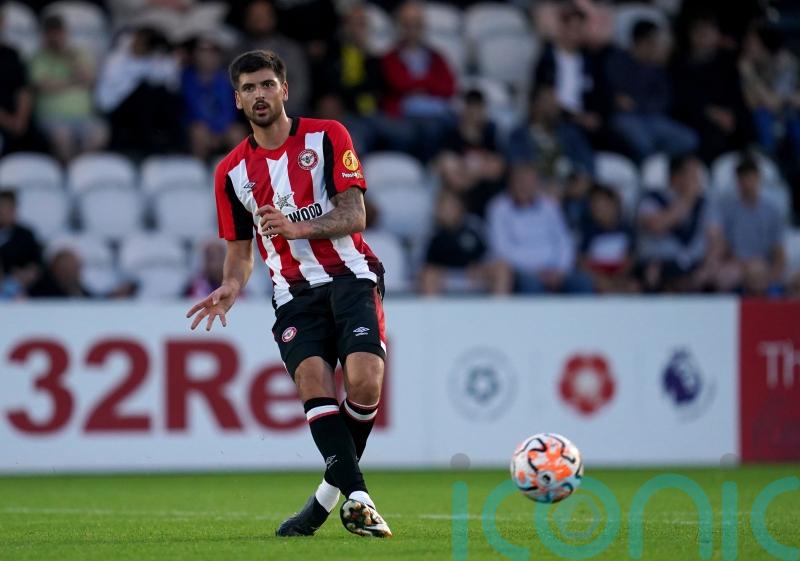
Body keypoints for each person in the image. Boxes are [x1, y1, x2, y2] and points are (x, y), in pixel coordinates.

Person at [185, 50, 391, 538]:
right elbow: (239, 251)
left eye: (266, 85)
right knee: (313, 384)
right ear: (237, 100)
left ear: (284, 89)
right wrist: (231, 286)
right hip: (292, 293)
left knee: (364, 384)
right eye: (249, 88)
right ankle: (358, 499)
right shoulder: (231, 172)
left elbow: (355, 214)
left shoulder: (327, 135)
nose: (259, 95)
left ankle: (322, 505)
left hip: (350, 276)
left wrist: (298, 227)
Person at [486, 162, 593, 294]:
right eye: (521, 181)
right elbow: (501, 249)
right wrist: (537, 270)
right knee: (531, 283)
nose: (525, 185)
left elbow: (564, 242)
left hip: (555, 270)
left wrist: (560, 270)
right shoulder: (498, 208)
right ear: (511, 183)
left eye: (530, 181)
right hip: (522, 270)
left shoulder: (550, 206)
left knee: (582, 282)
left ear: (537, 183)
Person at [606, 20, 698, 162]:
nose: (658, 46)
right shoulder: (617, 60)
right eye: (655, 41)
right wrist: (616, 98)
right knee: (642, 141)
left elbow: (662, 100)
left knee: (688, 139)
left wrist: (637, 104)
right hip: (624, 117)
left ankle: (657, 166)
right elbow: (612, 93)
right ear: (643, 41)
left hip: (652, 118)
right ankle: (645, 170)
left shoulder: (656, 67)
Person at [636, 154, 723, 292]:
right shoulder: (651, 200)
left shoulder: (705, 203)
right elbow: (657, 226)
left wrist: (708, 267)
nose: (698, 180)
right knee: (652, 275)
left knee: (722, 276)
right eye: (692, 175)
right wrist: (687, 199)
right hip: (662, 264)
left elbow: (716, 239)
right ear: (676, 176)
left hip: (695, 265)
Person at [29, 14, 108, 163]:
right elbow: (43, 86)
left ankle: (78, 170)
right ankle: (70, 171)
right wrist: (73, 81)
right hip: (52, 118)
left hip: (84, 117)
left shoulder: (78, 54)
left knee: (99, 133)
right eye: (51, 34)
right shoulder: (38, 57)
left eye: (59, 33)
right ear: (45, 35)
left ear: (65, 33)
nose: (56, 38)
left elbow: (89, 80)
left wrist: (70, 59)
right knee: (62, 136)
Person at [420, 190, 512, 296]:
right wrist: (440, 271)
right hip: (443, 276)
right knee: (429, 275)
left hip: (474, 273)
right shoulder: (430, 232)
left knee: (502, 269)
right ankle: (432, 311)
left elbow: (490, 253)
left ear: (461, 208)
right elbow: (422, 263)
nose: (447, 211)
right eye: (444, 207)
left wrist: (481, 266)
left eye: (452, 206)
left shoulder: (474, 226)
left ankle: (499, 310)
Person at [716, 157, 786, 296]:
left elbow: (779, 249)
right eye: (743, 180)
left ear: (758, 178)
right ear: (737, 182)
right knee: (723, 278)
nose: (747, 184)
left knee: (761, 274)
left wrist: (775, 272)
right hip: (736, 263)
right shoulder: (728, 209)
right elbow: (722, 243)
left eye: (751, 179)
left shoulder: (772, 211)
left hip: (763, 263)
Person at [181, 35, 247, 160]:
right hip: (196, 127)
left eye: (212, 52)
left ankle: (237, 172)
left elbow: (229, 109)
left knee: (237, 132)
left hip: (222, 127)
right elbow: (192, 109)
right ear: (195, 54)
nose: (207, 57)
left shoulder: (226, 79)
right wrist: (210, 130)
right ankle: (200, 171)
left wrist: (219, 131)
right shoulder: (186, 77)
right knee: (198, 132)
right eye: (203, 52)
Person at [0, 189, 42, 295]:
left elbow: (36, 265)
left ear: (15, 209)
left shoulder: (26, 235)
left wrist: (25, 275)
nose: (4, 212)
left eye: (8, 207)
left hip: (20, 288)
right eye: (1, 207)